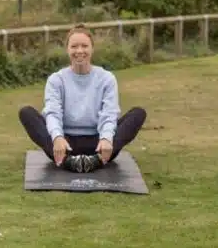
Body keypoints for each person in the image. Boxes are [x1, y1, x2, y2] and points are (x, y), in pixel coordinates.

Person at [19, 24, 147, 172]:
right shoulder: (56, 80)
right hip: (65, 144)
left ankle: (95, 160)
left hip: (98, 144)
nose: (79, 51)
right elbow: (53, 112)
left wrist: (106, 138)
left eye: (84, 46)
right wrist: (57, 137)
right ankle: (69, 161)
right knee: (26, 112)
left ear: (92, 48)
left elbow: (109, 113)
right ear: (67, 49)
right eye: (74, 46)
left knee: (138, 113)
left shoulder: (106, 78)